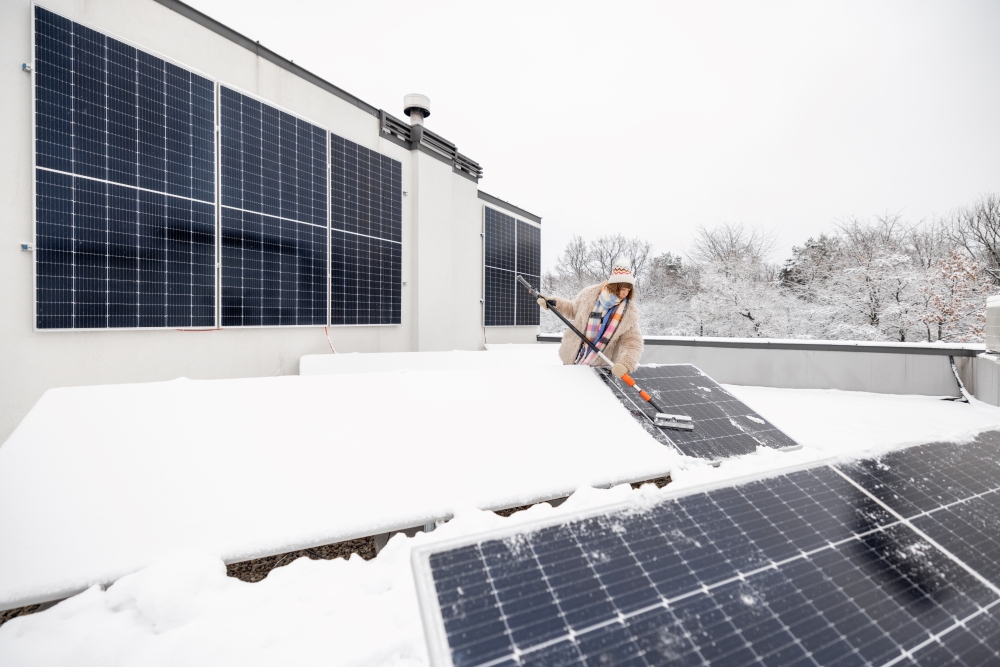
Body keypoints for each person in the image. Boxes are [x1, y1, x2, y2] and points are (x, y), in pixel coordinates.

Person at [538, 260, 643, 379]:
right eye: (623, 289)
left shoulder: (629, 312)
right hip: (573, 357)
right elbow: (573, 310)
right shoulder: (589, 294)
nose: (625, 293)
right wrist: (554, 304)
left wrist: (626, 364)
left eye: (629, 290)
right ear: (614, 285)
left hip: (599, 367)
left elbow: (633, 342)